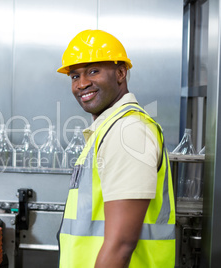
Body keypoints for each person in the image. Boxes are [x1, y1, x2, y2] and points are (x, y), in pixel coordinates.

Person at [56, 29, 175, 267]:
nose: (82, 84)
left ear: (121, 73)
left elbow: (121, 244)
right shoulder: (109, 129)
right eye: (74, 76)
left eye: (93, 71)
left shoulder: (128, 132)